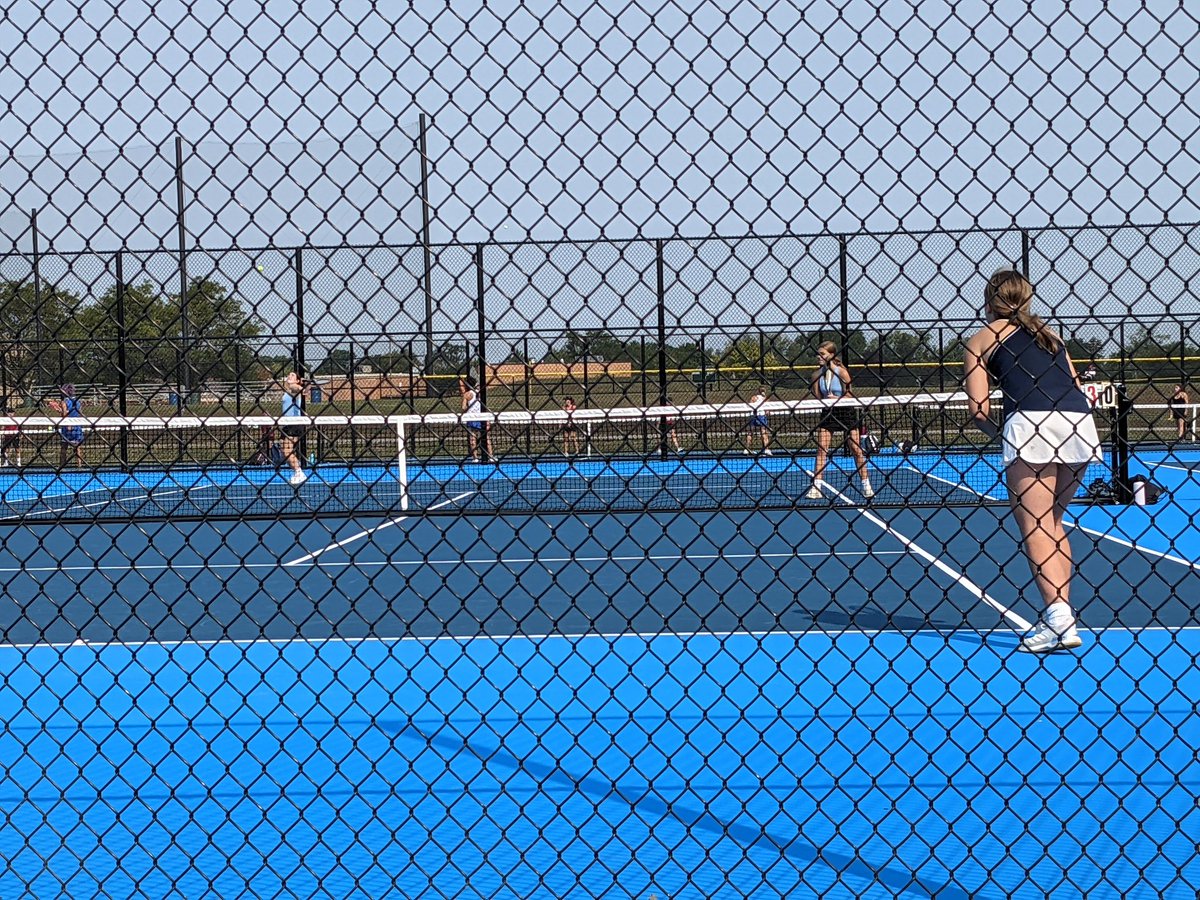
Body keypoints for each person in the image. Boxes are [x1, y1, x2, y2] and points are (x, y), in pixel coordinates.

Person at [963, 269, 1102, 654]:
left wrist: (1003, 436)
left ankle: (1058, 617)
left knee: (1035, 526)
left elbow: (978, 410)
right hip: (1079, 423)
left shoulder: (980, 340)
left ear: (989, 300)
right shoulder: (1050, 334)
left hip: (1030, 424)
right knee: (1053, 522)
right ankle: (1062, 615)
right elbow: (1074, 385)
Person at [807, 344, 873, 499]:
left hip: (846, 411)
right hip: (828, 413)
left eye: (822, 354)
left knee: (856, 450)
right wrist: (825, 401)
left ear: (831, 354)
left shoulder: (842, 372)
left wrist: (837, 399)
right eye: (818, 354)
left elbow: (850, 395)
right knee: (822, 449)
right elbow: (817, 397)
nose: (819, 357)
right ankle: (816, 487)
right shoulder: (816, 375)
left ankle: (866, 485)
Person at [47, 384, 86, 468]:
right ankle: (79, 466)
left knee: (64, 448)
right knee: (77, 448)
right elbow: (79, 413)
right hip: (77, 425)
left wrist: (60, 412)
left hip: (67, 425)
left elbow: (64, 414)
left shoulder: (64, 402)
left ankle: (62, 466)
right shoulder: (78, 402)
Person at [280, 372, 307, 485]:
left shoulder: (293, 389)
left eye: (292, 375)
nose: (289, 376)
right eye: (289, 375)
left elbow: (297, 389)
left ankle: (299, 473)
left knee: (287, 450)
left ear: (297, 380)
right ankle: (297, 471)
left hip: (294, 424)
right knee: (284, 450)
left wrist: (300, 387)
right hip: (287, 424)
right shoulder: (287, 391)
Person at [460, 376, 490, 462]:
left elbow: (463, 408)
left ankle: (475, 458)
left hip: (472, 417)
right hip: (481, 417)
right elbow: (484, 406)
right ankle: (491, 456)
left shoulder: (467, 395)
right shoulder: (480, 393)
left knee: (472, 437)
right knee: (486, 437)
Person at [744, 386, 773, 455]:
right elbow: (767, 411)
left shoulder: (753, 397)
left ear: (758, 391)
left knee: (750, 432)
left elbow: (750, 406)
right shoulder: (766, 399)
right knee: (764, 432)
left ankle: (746, 449)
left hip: (753, 416)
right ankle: (766, 449)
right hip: (761, 416)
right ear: (764, 391)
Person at [1, 403, 21, 467]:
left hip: (15, 436)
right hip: (7, 436)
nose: (10, 414)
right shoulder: (5, 419)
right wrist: (2, 433)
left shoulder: (17, 420)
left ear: (14, 413)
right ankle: (6, 462)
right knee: (6, 450)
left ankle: (18, 463)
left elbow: (20, 428)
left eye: (12, 413)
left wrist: (20, 435)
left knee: (17, 449)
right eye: (9, 412)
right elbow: (3, 427)